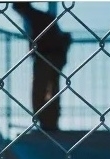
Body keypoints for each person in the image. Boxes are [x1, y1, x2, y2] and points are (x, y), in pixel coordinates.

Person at [12, 2, 71, 132]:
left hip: (48, 55)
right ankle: (48, 120)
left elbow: (42, 38)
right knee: (50, 88)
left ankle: (47, 121)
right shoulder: (37, 17)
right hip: (52, 55)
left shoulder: (34, 17)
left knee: (42, 89)